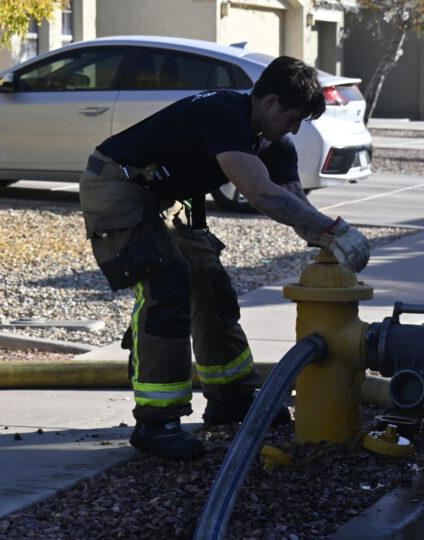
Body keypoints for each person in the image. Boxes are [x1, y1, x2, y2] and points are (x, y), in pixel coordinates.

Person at [79, 55, 370, 461]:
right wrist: (335, 229)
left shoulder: (275, 145)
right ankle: (157, 423)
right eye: (292, 118)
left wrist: (330, 240)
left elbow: (293, 205)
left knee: (211, 283)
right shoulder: (223, 113)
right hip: (118, 183)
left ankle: (232, 398)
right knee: (167, 284)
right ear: (270, 102)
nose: (293, 129)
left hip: (168, 194)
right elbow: (260, 193)